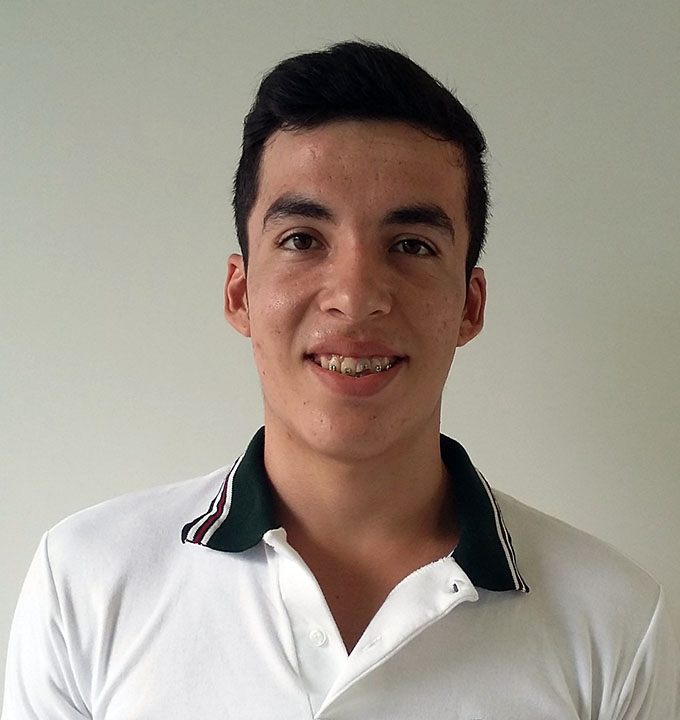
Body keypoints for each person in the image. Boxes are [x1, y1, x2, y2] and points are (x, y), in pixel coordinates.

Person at [3, 41, 678, 719]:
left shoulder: (613, 620)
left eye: (411, 245)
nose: (354, 298)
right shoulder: (85, 582)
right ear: (240, 293)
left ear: (469, 306)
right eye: (302, 239)